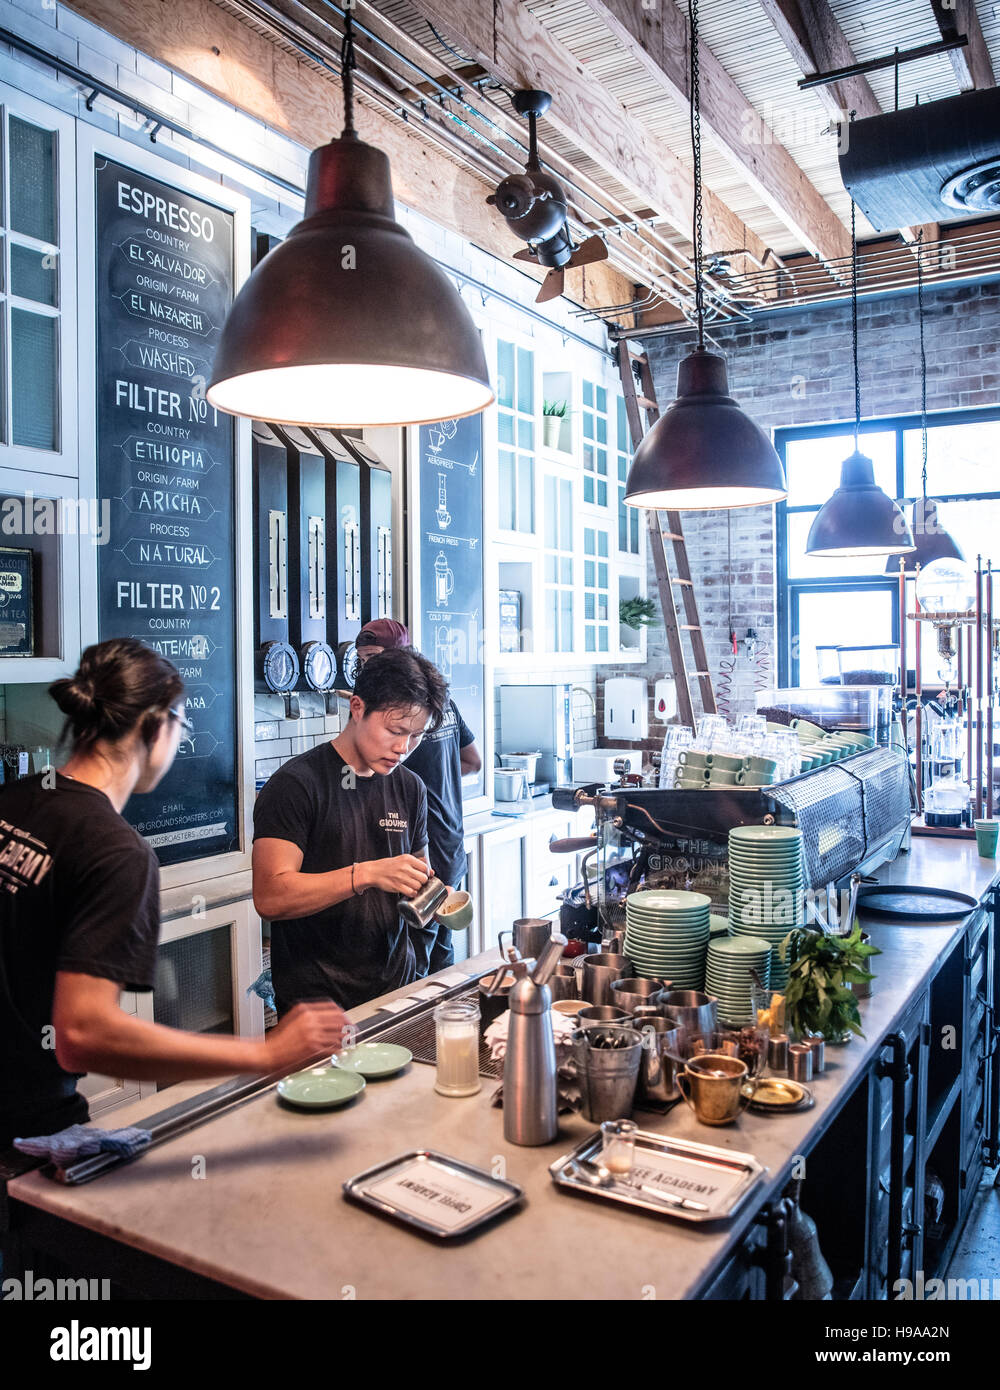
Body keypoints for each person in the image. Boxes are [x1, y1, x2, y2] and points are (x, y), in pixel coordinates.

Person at [0, 639, 346, 1151]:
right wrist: (267, 1054)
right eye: (181, 727)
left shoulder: (16, 797)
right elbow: (84, 1036)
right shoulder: (115, 852)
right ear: (156, 726)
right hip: (23, 1130)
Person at [252, 646, 448, 1012]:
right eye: (395, 730)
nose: (403, 747)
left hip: (394, 993)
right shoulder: (296, 785)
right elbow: (270, 896)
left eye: (416, 735)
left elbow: (417, 877)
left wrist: (434, 897)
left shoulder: (410, 787)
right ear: (357, 708)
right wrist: (366, 875)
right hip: (318, 1010)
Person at [355, 620, 481, 974]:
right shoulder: (443, 705)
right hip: (449, 846)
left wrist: (414, 789)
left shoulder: (399, 724)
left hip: (417, 854)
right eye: (362, 660)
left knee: (415, 963)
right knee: (439, 956)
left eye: (374, 658)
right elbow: (472, 761)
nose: (367, 669)